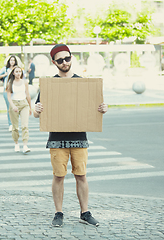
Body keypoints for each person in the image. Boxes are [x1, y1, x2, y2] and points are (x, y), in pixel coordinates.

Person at [34, 44, 108, 227]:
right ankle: (58, 212)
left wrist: (102, 109)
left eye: (67, 58)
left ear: (71, 58)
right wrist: (36, 110)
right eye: (60, 60)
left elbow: (95, 107)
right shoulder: (49, 85)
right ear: (54, 62)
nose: (64, 62)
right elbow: (37, 113)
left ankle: (85, 212)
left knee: (81, 175)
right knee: (59, 176)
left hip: (79, 138)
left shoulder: (82, 83)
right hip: (56, 139)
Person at [6, 66, 32, 153]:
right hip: (14, 103)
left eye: (20, 72)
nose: (18, 73)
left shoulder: (24, 82)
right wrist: (13, 106)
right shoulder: (10, 83)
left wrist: (30, 107)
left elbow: (28, 95)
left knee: (25, 126)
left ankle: (25, 145)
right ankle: (16, 143)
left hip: (24, 104)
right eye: (16, 72)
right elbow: (9, 97)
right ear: (13, 73)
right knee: (15, 127)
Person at [0, 55, 19, 131]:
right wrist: (4, 75)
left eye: (13, 60)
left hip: (16, 90)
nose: (12, 62)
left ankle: (15, 123)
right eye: (11, 60)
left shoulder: (17, 69)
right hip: (7, 90)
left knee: (16, 107)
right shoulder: (5, 69)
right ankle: (10, 124)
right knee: (10, 108)